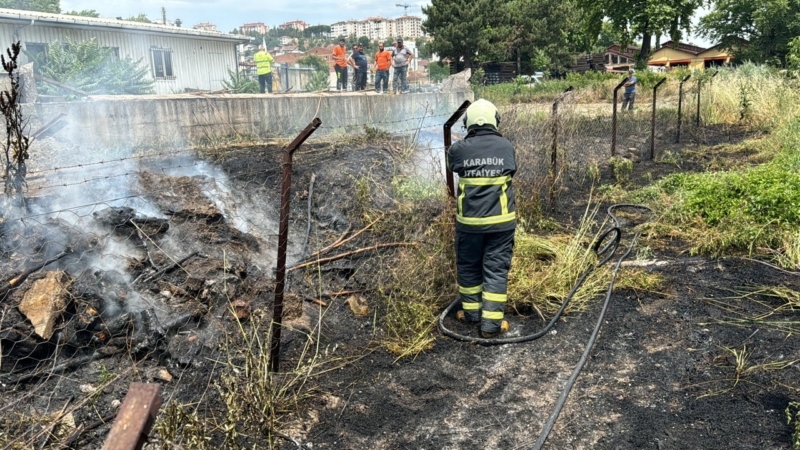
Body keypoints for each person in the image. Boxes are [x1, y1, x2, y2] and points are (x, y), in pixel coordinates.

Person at [446, 99, 516, 338]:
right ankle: (491, 326)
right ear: (494, 121)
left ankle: (472, 314)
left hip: (469, 224)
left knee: (468, 267)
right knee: (496, 270)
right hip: (501, 223)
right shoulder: (506, 146)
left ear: (468, 123)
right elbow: (511, 170)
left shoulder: (458, 149)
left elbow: (452, 166)